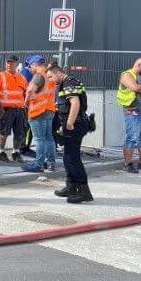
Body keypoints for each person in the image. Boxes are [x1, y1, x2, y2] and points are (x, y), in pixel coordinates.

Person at [48, 63, 93, 203]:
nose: (50, 80)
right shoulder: (64, 83)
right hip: (71, 123)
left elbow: (75, 103)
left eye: (50, 76)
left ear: (58, 73)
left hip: (75, 124)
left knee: (73, 158)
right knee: (68, 157)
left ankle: (84, 191)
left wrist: (69, 123)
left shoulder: (69, 82)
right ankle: (71, 186)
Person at [22, 56, 57, 173]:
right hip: (49, 109)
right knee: (49, 138)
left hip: (38, 111)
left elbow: (30, 89)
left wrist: (26, 102)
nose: (30, 68)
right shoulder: (49, 75)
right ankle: (51, 163)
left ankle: (39, 164)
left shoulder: (38, 75)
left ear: (35, 64)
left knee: (40, 139)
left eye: (30, 66)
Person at [0, 55, 28, 162]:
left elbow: (26, 92)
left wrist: (25, 108)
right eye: (7, 63)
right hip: (5, 110)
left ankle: (16, 153)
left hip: (20, 110)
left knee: (19, 133)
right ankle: (0, 152)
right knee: (3, 133)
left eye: (12, 63)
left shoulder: (22, 77)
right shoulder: (0, 76)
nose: (9, 65)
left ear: (17, 64)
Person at [117, 57, 141, 173]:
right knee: (132, 138)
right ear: (139, 65)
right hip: (132, 111)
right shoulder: (127, 75)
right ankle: (128, 164)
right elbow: (135, 87)